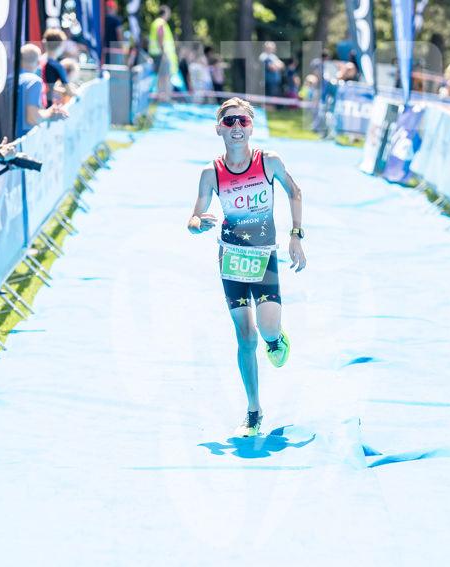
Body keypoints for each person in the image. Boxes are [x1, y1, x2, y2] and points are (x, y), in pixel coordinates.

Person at [187, 98, 306, 437]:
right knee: (245, 337)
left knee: (266, 331)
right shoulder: (211, 173)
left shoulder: (268, 162)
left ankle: (276, 339)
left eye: (243, 121)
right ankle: (254, 410)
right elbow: (193, 217)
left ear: (251, 127)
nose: (236, 127)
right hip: (231, 260)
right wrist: (197, 224)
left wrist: (296, 235)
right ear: (219, 129)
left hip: (263, 257)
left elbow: (295, 191)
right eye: (229, 122)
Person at [18, 44, 68, 138]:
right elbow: (32, 118)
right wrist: (51, 114)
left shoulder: (9, 79)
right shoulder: (34, 81)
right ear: (38, 63)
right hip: (23, 140)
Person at [42, 28, 77, 105]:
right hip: (47, 106)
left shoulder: (39, 61)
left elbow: (45, 86)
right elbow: (69, 91)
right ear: (61, 45)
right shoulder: (57, 66)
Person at [148, 5, 175, 101]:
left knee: (160, 76)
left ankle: (160, 96)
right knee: (164, 75)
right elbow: (160, 36)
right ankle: (164, 97)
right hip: (160, 54)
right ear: (165, 13)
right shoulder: (161, 22)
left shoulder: (155, 22)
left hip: (155, 53)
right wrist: (163, 52)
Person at [103, 0, 124, 65]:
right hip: (114, 49)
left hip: (104, 48)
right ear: (113, 8)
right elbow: (119, 34)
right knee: (115, 68)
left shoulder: (102, 20)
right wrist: (121, 46)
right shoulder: (116, 20)